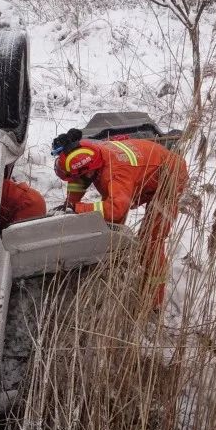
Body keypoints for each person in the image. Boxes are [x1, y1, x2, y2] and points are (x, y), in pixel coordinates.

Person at [51, 127, 188, 306]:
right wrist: (69, 204)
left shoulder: (115, 174)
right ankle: (113, 266)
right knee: (112, 227)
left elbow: (115, 210)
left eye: (78, 177)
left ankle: (153, 302)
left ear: (89, 170)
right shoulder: (88, 151)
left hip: (170, 179)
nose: (76, 181)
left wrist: (77, 208)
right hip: (145, 171)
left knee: (150, 243)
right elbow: (79, 181)